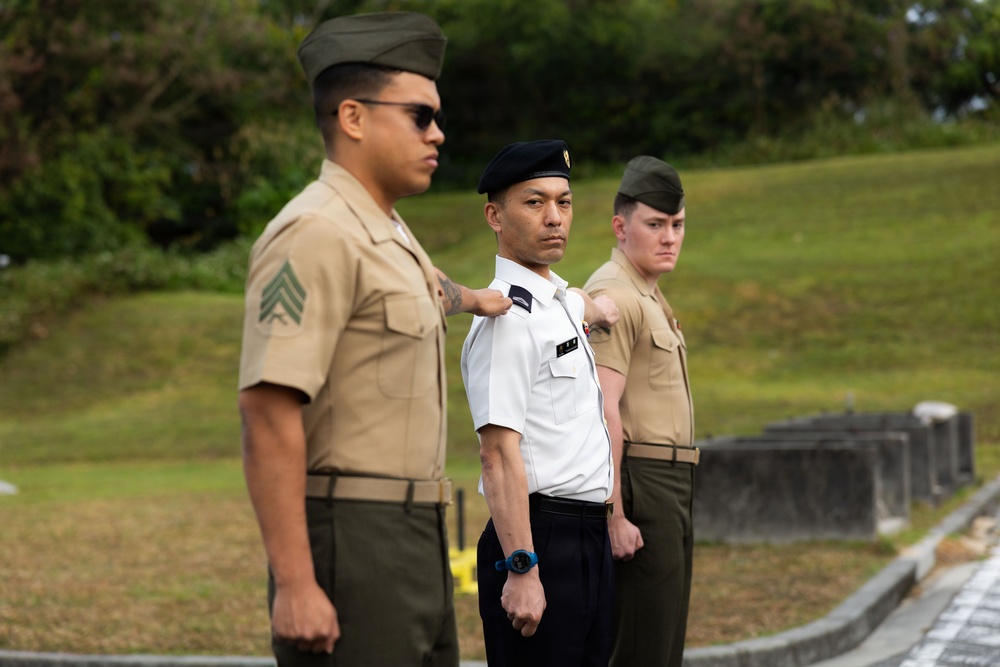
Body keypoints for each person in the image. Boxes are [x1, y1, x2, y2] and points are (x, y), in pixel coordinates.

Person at [237, 12, 510, 666]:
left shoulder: (388, 233)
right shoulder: (314, 232)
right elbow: (267, 410)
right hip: (355, 536)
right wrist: (296, 584)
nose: (437, 132)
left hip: (417, 534)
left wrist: (483, 299)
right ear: (353, 117)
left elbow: (430, 293)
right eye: (420, 115)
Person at [460, 140, 619, 667]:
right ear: (495, 217)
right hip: (538, 538)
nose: (554, 218)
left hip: (588, 534)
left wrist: (604, 308)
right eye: (534, 202)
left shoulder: (559, 303)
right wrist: (522, 567)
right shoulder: (506, 322)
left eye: (563, 202)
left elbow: (580, 304)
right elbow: (497, 453)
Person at [583, 156, 697, 667]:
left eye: (677, 225)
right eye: (655, 224)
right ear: (620, 226)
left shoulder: (646, 292)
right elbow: (601, 408)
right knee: (641, 648)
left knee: (663, 643)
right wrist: (615, 514)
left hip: (668, 484)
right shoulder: (614, 294)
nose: (670, 237)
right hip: (641, 483)